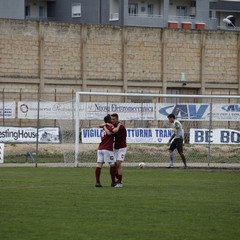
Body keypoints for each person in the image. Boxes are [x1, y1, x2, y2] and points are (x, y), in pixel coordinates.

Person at [95, 114, 121, 187]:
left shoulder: (104, 126)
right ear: (109, 120)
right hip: (107, 148)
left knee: (99, 164)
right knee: (112, 164)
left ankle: (97, 182)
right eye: (111, 119)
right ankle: (113, 182)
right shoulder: (110, 126)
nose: (112, 120)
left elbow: (102, 126)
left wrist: (105, 125)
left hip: (100, 148)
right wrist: (118, 125)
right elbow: (112, 131)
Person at [111, 113, 127, 188]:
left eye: (113, 119)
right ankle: (118, 177)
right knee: (114, 164)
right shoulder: (113, 126)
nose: (112, 120)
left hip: (122, 148)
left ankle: (120, 182)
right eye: (111, 119)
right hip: (116, 148)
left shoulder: (121, 127)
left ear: (117, 119)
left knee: (118, 164)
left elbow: (114, 132)